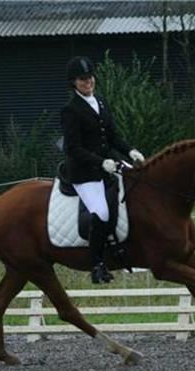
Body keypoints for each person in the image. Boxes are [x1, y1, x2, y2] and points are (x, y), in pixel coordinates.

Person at [61, 56, 145, 284]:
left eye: (90, 78)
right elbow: (73, 148)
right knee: (102, 213)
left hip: (107, 165)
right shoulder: (70, 110)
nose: (87, 82)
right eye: (82, 79)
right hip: (83, 172)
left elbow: (113, 137)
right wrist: (100, 162)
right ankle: (97, 265)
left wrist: (131, 152)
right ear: (74, 83)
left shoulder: (101, 102)